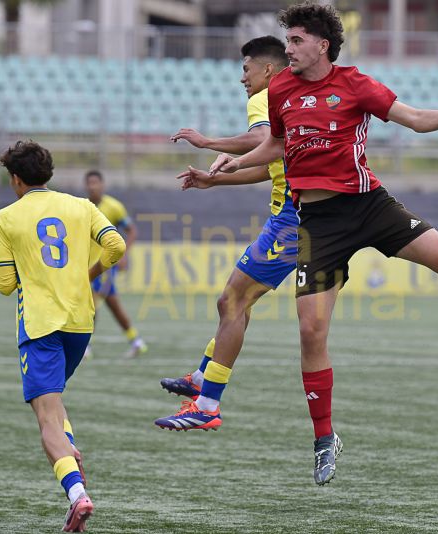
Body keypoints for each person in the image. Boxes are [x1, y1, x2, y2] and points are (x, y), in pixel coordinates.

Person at [208, 2, 438, 486]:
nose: (288, 50)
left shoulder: (356, 84)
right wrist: (231, 164)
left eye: (296, 41)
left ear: (322, 45)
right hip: (317, 222)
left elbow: (414, 118)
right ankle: (324, 438)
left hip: (370, 207)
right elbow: (276, 144)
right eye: (288, 41)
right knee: (311, 333)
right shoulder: (281, 90)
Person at [153, 36, 295, 431]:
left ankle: (208, 404)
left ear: (267, 69)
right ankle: (202, 379)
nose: (242, 79)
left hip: (295, 217)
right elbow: (271, 161)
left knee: (231, 299)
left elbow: (260, 141)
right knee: (238, 302)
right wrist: (217, 180)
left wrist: (207, 141)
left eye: (246, 69)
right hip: (292, 214)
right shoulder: (293, 97)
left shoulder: (266, 99)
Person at [0, 140, 125, 532]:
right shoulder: (82, 206)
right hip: (80, 324)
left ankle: (77, 494)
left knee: (45, 418)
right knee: (55, 403)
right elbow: (115, 245)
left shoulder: (7, 217)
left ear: (16, 179)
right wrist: (88, 275)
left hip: (40, 325)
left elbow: (3, 284)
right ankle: (70, 450)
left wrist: (29, 273)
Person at [84, 170, 147, 359]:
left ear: (102, 185)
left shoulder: (114, 207)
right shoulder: (82, 207)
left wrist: (123, 254)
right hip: (86, 265)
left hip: (103, 266)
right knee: (113, 305)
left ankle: (84, 346)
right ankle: (136, 341)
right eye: (89, 183)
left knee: (91, 304)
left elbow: (132, 231)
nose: (92, 186)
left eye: (96, 182)